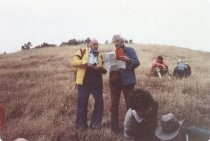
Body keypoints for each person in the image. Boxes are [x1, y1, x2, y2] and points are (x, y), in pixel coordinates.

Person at [72, 38, 107, 129]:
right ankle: (81, 125)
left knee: (99, 103)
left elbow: (104, 68)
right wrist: (85, 63)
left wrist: (100, 68)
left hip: (97, 83)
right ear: (88, 44)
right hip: (83, 82)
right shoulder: (82, 51)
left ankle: (95, 124)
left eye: (97, 44)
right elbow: (74, 62)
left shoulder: (100, 54)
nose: (96, 46)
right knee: (82, 104)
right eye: (94, 44)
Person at [110, 34, 140, 133]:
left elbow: (137, 63)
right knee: (114, 104)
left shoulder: (130, 50)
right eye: (114, 41)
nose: (115, 43)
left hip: (128, 81)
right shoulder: (113, 53)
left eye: (117, 41)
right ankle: (115, 128)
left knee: (130, 104)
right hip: (115, 81)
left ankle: (130, 128)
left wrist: (128, 60)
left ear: (122, 41)